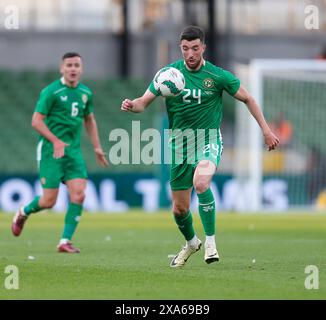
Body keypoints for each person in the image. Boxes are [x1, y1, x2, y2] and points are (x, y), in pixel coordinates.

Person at [121, 26, 279, 268]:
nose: (190, 53)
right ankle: (192, 242)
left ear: (203, 47)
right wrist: (132, 105)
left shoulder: (217, 76)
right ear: (181, 48)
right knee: (179, 209)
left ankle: (211, 242)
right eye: (185, 48)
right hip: (179, 146)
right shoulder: (168, 74)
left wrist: (266, 131)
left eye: (195, 48)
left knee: (202, 182)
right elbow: (144, 102)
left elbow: (248, 98)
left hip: (208, 140)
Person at [12, 52, 108, 253]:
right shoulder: (51, 92)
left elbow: (89, 119)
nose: (73, 69)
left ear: (81, 69)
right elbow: (36, 121)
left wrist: (97, 147)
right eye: (69, 65)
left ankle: (64, 241)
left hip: (72, 152)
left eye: (76, 65)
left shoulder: (85, 93)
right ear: (61, 68)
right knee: (49, 201)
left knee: (79, 194)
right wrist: (55, 141)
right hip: (50, 151)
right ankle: (23, 212)